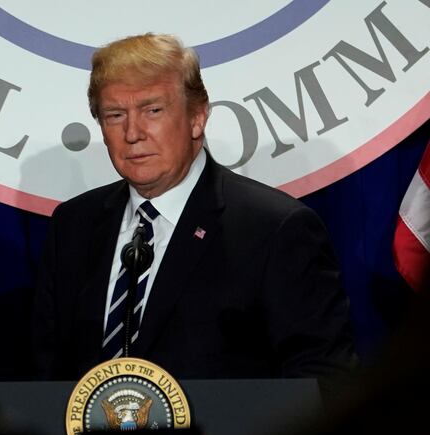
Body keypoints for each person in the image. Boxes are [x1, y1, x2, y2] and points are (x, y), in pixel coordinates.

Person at [32, 34, 357, 387]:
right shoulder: (73, 225)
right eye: (115, 115)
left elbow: (323, 379)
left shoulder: (274, 229)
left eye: (152, 110)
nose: (132, 133)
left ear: (197, 117)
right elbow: (45, 372)